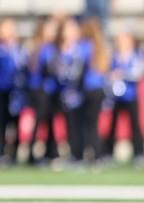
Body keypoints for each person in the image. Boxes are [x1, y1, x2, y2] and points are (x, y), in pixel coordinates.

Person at [104, 30, 144, 165]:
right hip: (116, 97)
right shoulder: (114, 56)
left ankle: (139, 153)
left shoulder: (135, 56)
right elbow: (107, 74)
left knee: (135, 125)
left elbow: (138, 73)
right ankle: (107, 153)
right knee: (112, 126)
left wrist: (123, 73)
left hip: (130, 96)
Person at [51, 17, 87, 166]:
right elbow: (57, 70)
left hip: (78, 93)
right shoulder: (59, 50)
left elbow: (79, 72)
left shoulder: (80, 49)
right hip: (64, 94)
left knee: (78, 124)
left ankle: (79, 154)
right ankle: (73, 153)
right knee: (69, 125)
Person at [26, 16, 60, 166]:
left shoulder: (47, 47)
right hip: (41, 89)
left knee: (49, 120)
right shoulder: (41, 47)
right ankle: (32, 154)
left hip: (47, 89)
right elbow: (46, 69)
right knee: (40, 120)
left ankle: (50, 152)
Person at [79, 17, 109, 165]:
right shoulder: (101, 46)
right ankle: (98, 153)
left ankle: (90, 153)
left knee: (87, 124)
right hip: (99, 89)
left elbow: (79, 68)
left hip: (88, 89)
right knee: (95, 123)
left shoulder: (85, 46)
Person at [0, 18, 25, 165]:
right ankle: (2, 151)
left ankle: (14, 153)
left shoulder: (18, 48)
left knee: (15, 122)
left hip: (16, 91)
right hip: (2, 89)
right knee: (2, 122)